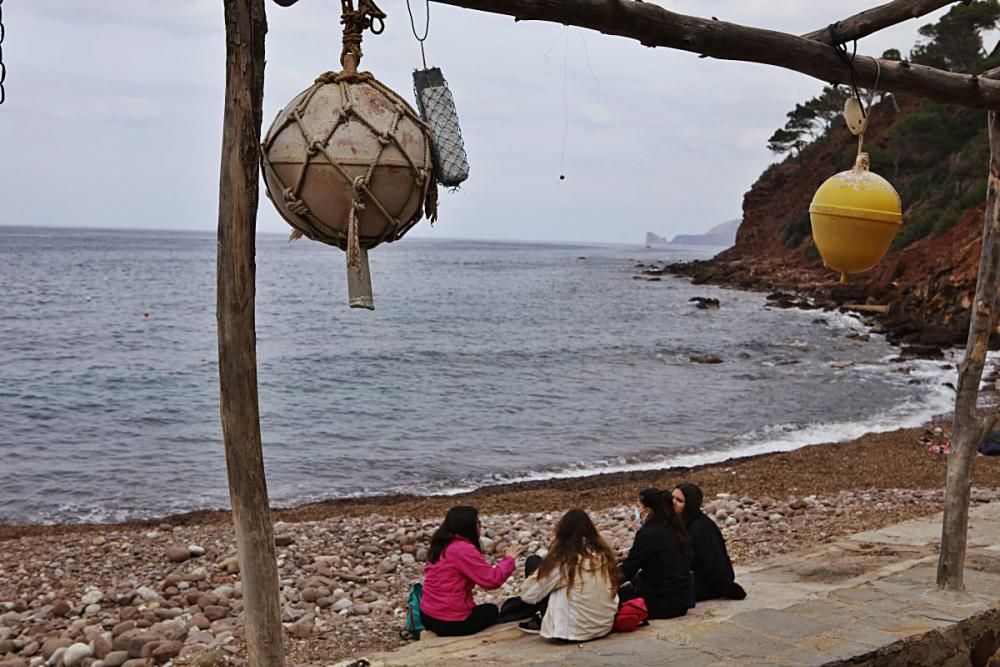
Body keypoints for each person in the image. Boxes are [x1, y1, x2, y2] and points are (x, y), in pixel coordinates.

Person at [517, 509, 620, 641]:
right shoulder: (604, 555)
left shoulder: (565, 561)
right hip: (603, 627)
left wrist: (545, 567)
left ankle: (540, 618)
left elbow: (528, 596)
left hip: (570, 632)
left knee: (534, 562)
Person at [419, 505, 522, 636]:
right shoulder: (462, 549)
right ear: (468, 526)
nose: (480, 526)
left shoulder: (441, 544)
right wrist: (509, 560)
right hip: (448, 621)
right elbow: (491, 580)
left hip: (427, 615)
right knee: (491, 610)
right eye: (478, 523)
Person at [619, 488, 692, 619]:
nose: (637, 511)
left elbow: (628, 569)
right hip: (682, 600)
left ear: (647, 511)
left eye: (639, 506)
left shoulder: (648, 533)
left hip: (660, 603)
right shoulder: (675, 528)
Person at [672, 482, 747, 602]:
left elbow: (712, 563)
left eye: (679, 500)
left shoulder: (702, 528)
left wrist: (728, 587)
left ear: (690, 505)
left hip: (706, 582)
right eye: (672, 498)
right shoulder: (680, 522)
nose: (673, 502)